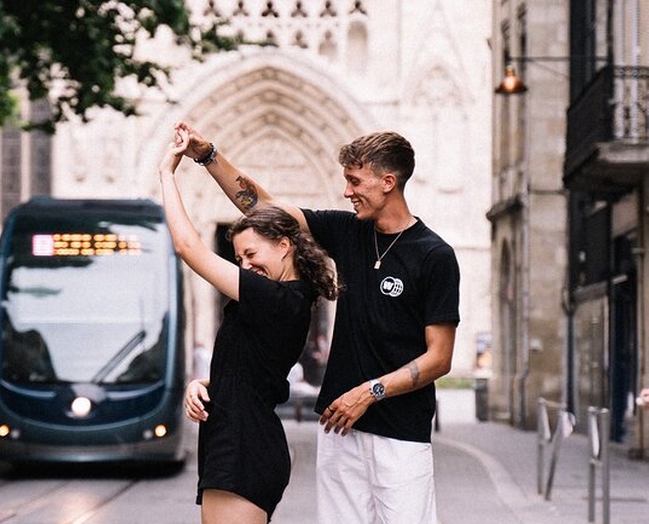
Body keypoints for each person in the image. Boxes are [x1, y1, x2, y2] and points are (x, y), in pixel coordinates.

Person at [176, 121, 460, 524]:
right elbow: (264, 211)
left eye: (355, 181)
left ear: (388, 182)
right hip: (339, 430)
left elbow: (440, 358)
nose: (347, 192)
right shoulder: (349, 231)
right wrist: (207, 156)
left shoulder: (434, 256)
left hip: (401, 433)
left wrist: (370, 392)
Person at [160, 126, 339, 524]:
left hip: (243, 445)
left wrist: (167, 175)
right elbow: (250, 369)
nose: (246, 266)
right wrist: (204, 384)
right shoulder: (281, 299)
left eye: (251, 253)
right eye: (239, 259)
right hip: (238, 438)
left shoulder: (281, 298)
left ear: (284, 244)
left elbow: (188, 247)